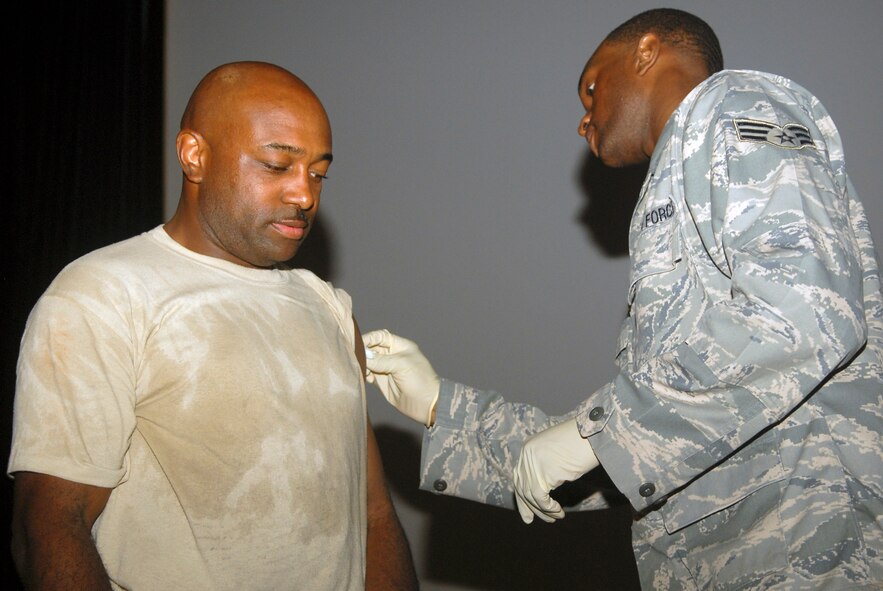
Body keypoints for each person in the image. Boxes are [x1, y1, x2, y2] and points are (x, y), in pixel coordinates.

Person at [363, 8, 883, 590]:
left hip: (809, 552)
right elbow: (635, 448)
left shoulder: (735, 106)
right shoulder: (673, 189)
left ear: (645, 52)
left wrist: (601, 435)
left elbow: (803, 314)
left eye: (590, 88)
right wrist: (440, 405)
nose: (583, 122)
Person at [8, 61, 417, 590]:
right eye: (277, 166)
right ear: (194, 155)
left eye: (318, 173)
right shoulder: (102, 294)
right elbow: (49, 526)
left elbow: (375, 515)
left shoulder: (329, 306)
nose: (304, 195)